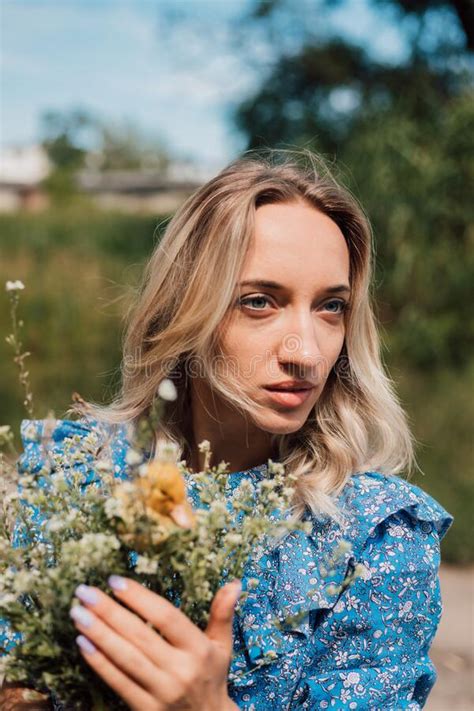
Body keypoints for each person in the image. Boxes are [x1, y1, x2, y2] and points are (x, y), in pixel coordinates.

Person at [1, 150, 453, 710]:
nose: (306, 353)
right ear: (185, 308)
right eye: (260, 302)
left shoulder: (375, 537)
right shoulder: (73, 480)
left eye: (331, 307)